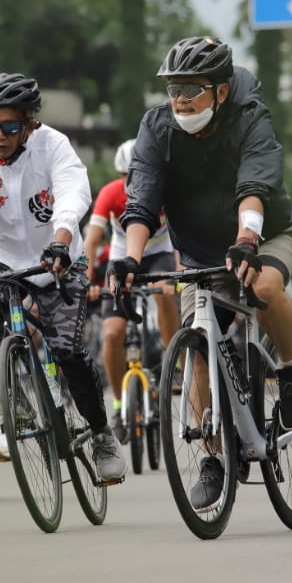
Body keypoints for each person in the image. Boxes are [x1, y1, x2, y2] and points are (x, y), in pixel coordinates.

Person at [113, 36, 292, 511]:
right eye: (173, 89)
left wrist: (247, 239)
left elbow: (255, 184)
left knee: (263, 285)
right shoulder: (156, 128)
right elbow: (142, 199)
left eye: (192, 89)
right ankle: (212, 459)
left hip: (264, 233)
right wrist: (131, 260)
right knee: (199, 343)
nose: (180, 100)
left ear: (221, 92)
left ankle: (289, 371)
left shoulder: (250, 119)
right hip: (199, 250)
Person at [0, 72, 126, 481]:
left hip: (55, 257)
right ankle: (13, 406)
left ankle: (101, 432)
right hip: (0, 259)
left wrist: (60, 240)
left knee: (69, 352)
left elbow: (73, 196)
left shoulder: (54, 146)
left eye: (10, 126)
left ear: (30, 125)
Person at [83, 138, 179, 443]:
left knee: (164, 293)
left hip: (161, 250)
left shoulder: (166, 190)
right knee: (112, 334)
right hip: (124, 256)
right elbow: (92, 239)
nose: (131, 183)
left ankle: (172, 360)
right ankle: (119, 403)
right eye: (125, 176)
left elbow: (181, 236)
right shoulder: (110, 193)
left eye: (137, 174)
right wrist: (88, 281)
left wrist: (176, 278)